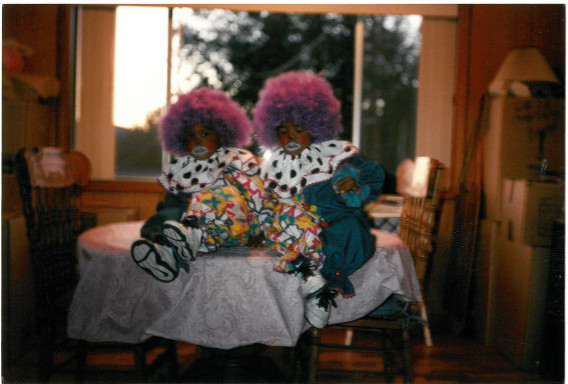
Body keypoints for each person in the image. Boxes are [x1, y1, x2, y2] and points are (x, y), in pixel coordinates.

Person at [252, 70, 385, 328]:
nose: (290, 136)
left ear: (315, 127)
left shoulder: (333, 155)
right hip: (295, 230)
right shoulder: (273, 166)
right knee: (282, 224)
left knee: (352, 233)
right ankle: (311, 281)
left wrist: (354, 181)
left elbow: (371, 176)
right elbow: (264, 201)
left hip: (333, 226)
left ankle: (320, 284)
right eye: (283, 130)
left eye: (299, 129)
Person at [131, 87, 267, 282]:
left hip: (225, 220)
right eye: (191, 137)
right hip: (184, 221)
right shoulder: (182, 168)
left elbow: (254, 194)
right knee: (167, 217)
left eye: (204, 134)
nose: (197, 141)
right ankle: (166, 257)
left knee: (220, 199)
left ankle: (185, 242)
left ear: (221, 135)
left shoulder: (236, 160)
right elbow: (173, 202)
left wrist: (257, 228)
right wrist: (165, 218)